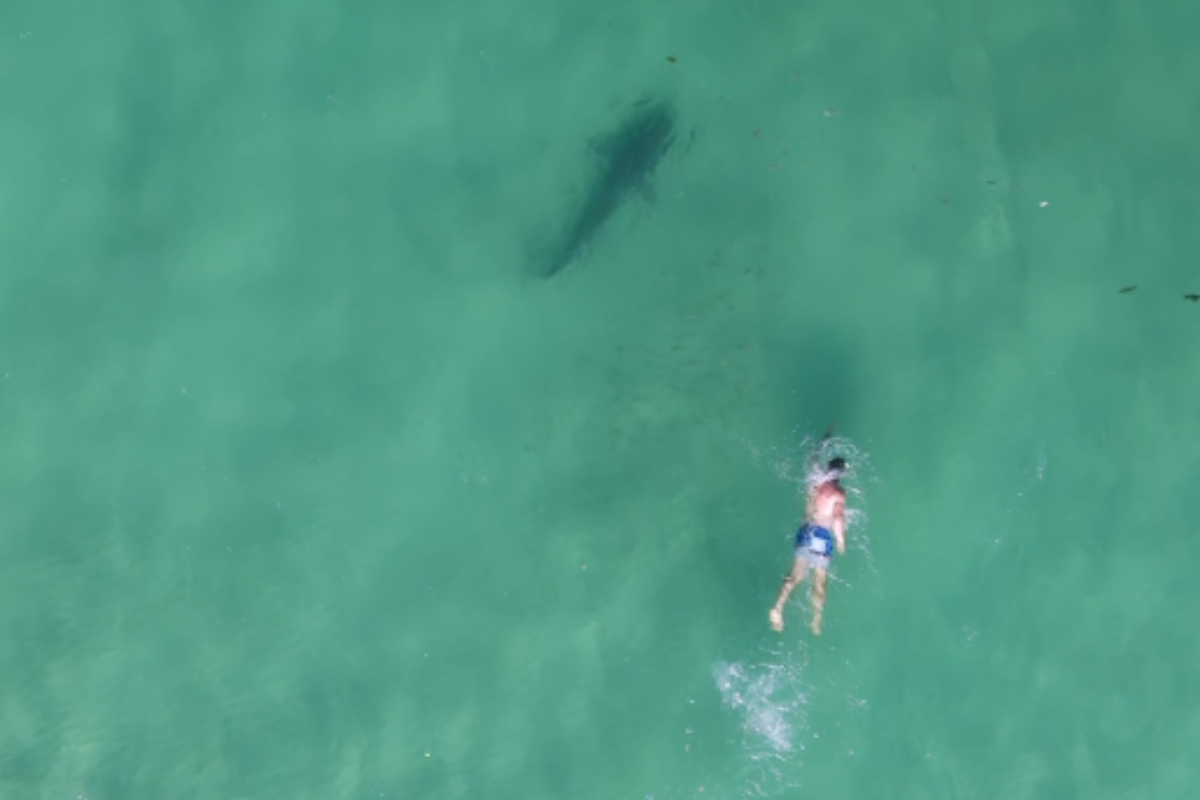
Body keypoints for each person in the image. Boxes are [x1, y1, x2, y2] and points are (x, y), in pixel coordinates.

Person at [769, 457, 848, 635]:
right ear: (841, 474)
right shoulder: (838, 493)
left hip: (806, 530)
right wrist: (841, 539)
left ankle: (778, 607)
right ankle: (816, 621)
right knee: (819, 584)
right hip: (821, 536)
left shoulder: (815, 483)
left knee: (796, 576)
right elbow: (838, 517)